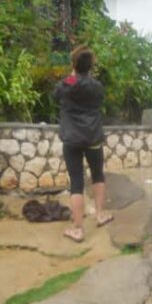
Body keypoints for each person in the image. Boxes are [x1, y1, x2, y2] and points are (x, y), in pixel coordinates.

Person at [54, 46, 113, 242]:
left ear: (74, 64)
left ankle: (78, 229)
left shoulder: (66, 84)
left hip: (71, 139)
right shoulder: (96, 86)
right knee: (98, 175)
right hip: (93, 137)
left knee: (77, 183)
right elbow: (97, 98)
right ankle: (100, 214)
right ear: (91, 66)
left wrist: (73, 74)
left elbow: (57, 94)